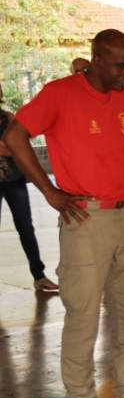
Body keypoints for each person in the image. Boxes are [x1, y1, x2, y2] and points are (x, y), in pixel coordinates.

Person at [3, 29, 124, 398]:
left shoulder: (123, 95)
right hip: (84, 218)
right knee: (84, 314)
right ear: (97, 59)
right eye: (121, 66)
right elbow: (13, 137)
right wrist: (49, 191)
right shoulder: (60, 94)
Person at [0, 85, 58, 292]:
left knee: (26, 227)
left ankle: (39, 276)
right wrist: (10, 146)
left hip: (14, 180)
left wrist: (11, 146)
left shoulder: (8, 117)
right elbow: (12, 146)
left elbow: (17, 145)